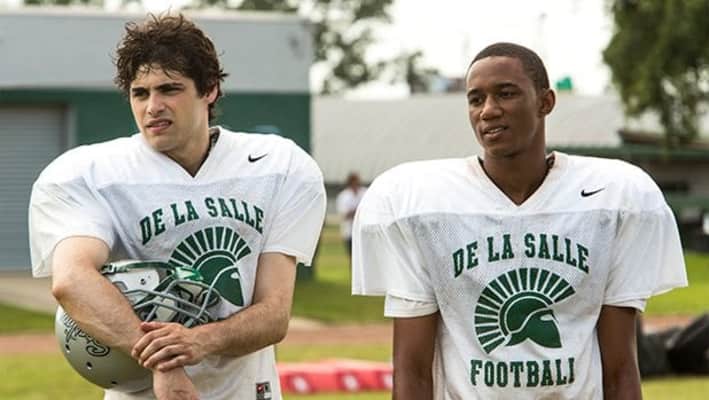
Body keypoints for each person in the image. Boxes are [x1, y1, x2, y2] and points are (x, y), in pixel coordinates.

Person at [351, 42, 688, 399]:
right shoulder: (421, 207)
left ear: (545, 102)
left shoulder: (613, 200)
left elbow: (619, 369)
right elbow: (412, 371)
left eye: (505, 94)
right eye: (476, 99)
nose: (488, 110)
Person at [28, 13, 326, 400]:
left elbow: (274, 313)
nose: (153, 106)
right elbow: (71, 279)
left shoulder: (277, 166)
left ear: (210, 89)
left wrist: (199, 341)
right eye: (140, 93)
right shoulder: (90, 174)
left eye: (169, 89)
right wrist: (165, 363)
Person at [335, 172, 367, 256]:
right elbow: (343, 215)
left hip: (364, 231)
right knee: (353, 256)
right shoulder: (344, 196)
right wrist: (358, 211)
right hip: (349, 232)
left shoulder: (365, 192)